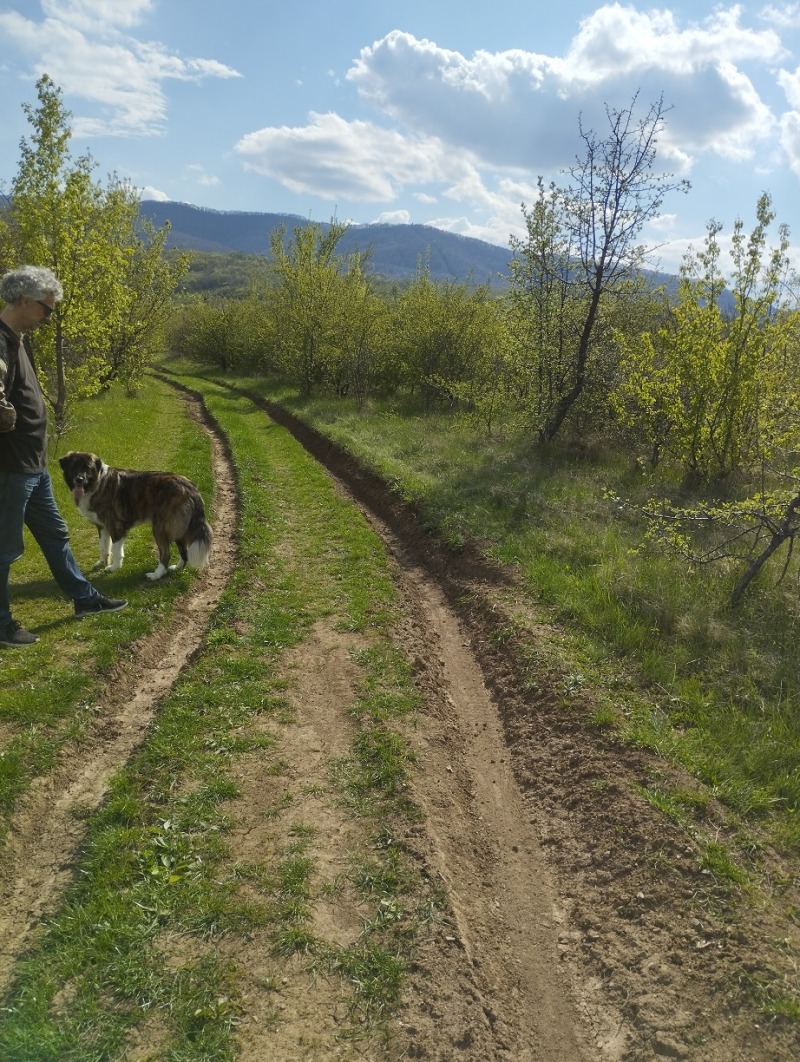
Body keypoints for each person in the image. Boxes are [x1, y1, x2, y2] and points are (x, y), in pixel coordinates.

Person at [0, 264, 127, 647]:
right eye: (46, 308)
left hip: (32, 467)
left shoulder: (17, 338)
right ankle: (2, 624)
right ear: (24, 300)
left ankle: (85, 599)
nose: (48, 317)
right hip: (10, 468)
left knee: (56, 535)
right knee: (5, 548)